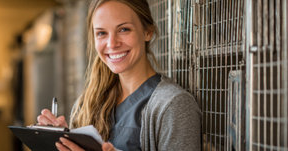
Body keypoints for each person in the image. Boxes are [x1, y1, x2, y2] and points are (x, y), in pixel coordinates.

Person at [37, 0, 201, 150]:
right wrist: (64, 141)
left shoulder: (173, 105)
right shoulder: (85, 105)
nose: (112, 43)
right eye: (102, 33)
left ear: (147, 32)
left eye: (123, 29)